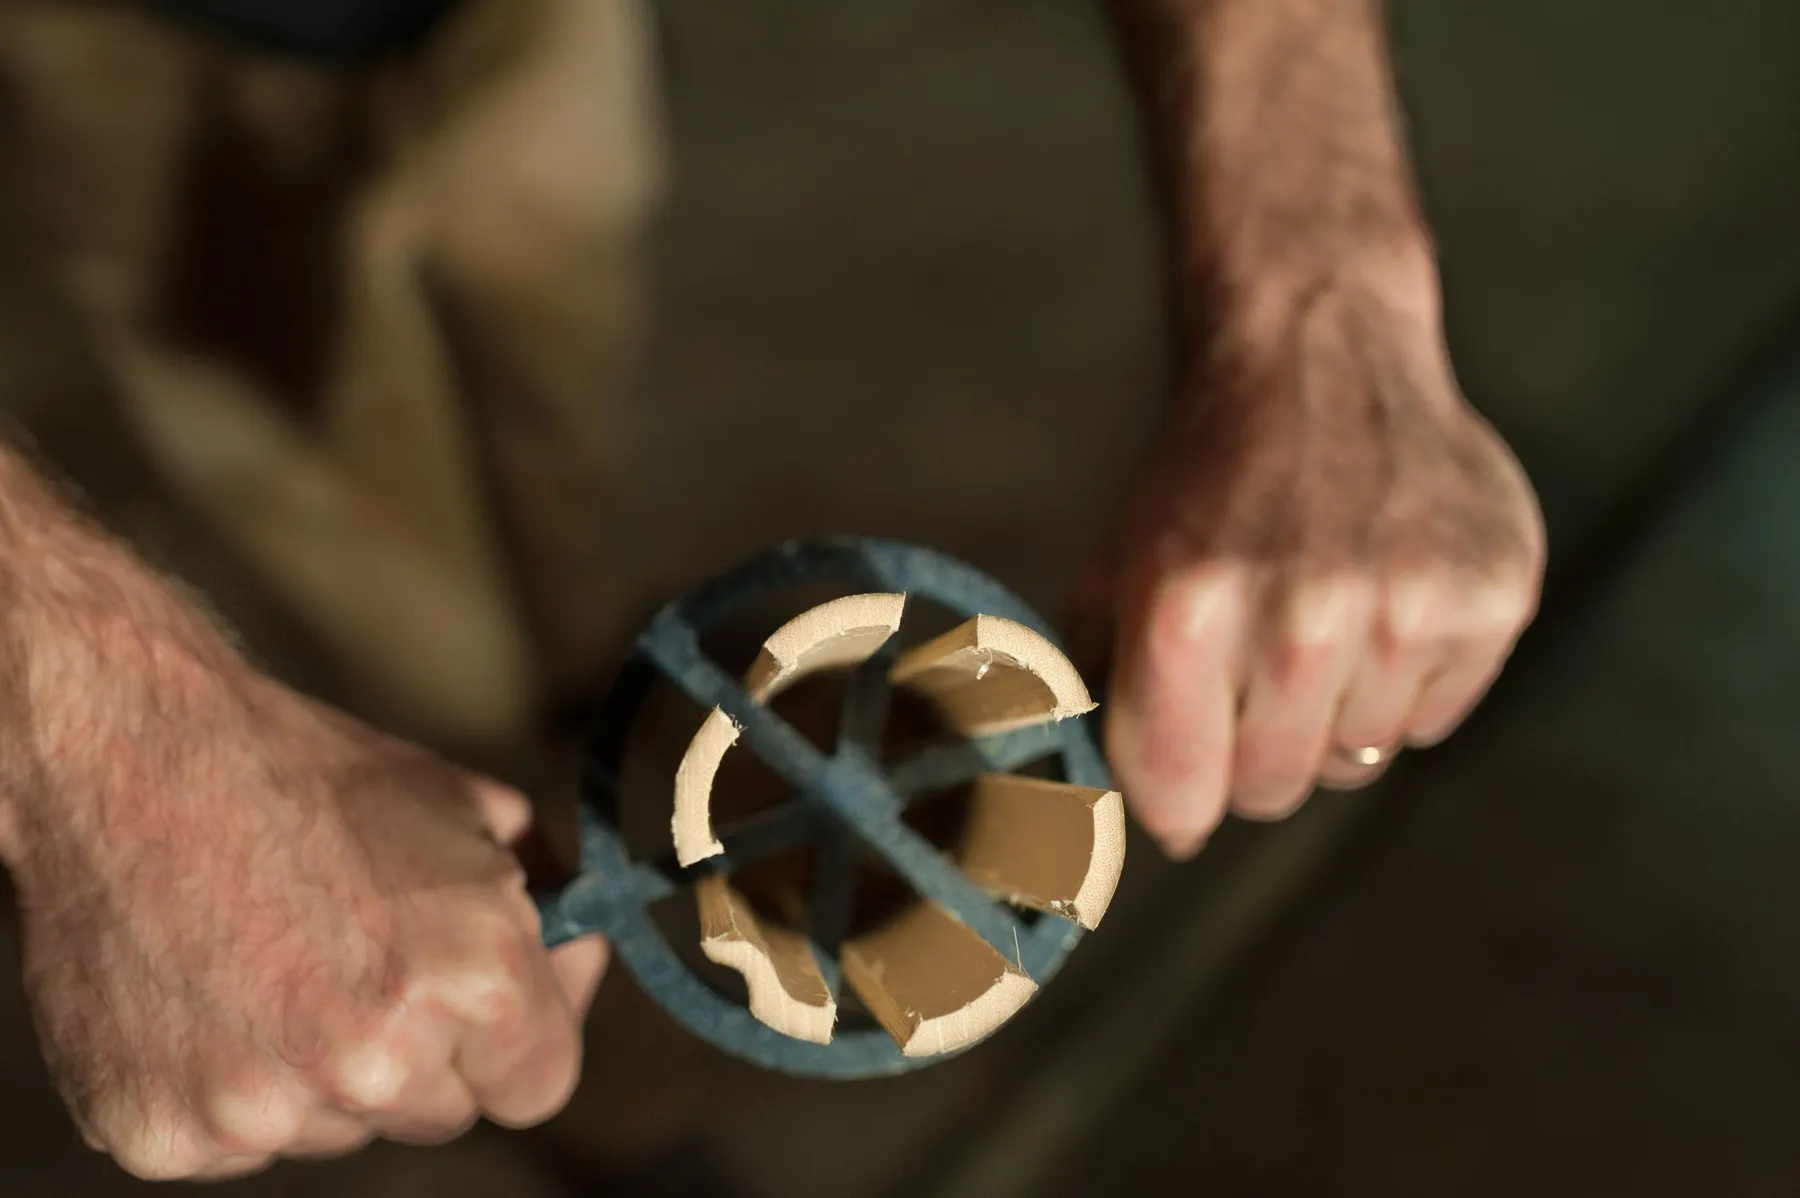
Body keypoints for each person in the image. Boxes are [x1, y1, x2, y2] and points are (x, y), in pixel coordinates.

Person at [0, 0, 1542, 1182]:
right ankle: (599, 1050)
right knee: (372, 546)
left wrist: (1320, 286)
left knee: (552, 419)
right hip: (145, 45)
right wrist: (86, 733)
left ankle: (566, 668)